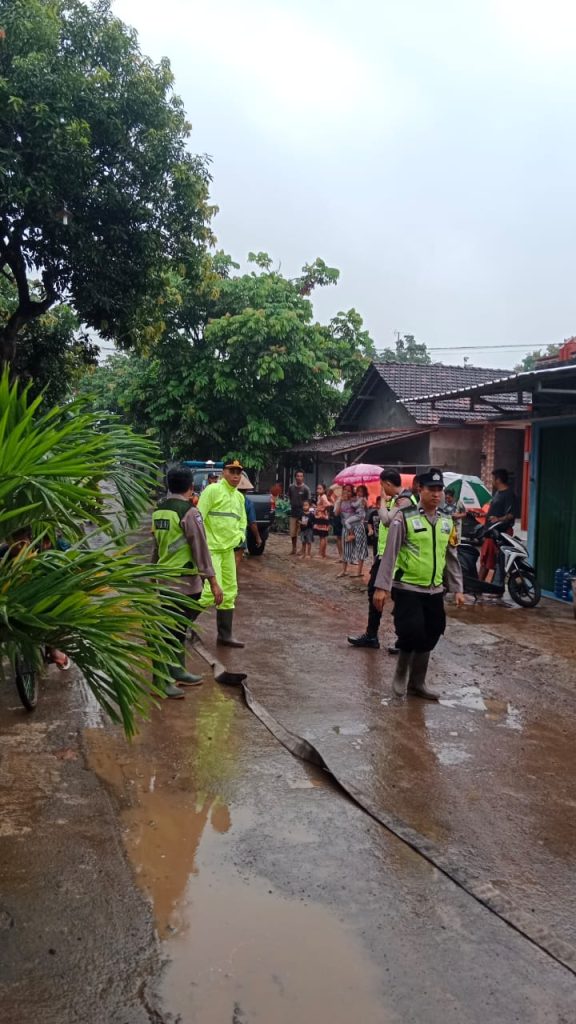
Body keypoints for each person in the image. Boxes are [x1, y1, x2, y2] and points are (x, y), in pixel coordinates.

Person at [372, 468, 465, 700]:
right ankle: (401, 673)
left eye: (439, 489)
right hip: (408, 587)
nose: (436, 494)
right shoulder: (405, 517)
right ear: (419, 489)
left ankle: (417, 683)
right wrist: (381, 587)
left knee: (433, 630)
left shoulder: (446, 520)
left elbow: (451, 556)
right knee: (411, 631)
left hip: (434, 589)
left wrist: (458, 588)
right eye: (431, 489)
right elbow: (390, 553)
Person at [152, 465, 223, 698]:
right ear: (191, 487)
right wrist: (213, 582)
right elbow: (200, 548)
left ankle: (177, 670)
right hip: (184, 583)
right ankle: (162, 681)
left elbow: (157, 545)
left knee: (177, 628)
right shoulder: (189, 512)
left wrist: (152, 573)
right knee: (170, 630)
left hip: (164, 580)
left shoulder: (159, 511)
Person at [347, 469, 414, 650]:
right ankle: (372, 635)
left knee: (400, 598)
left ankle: (402, 640)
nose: (381, 489)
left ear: (388, 484)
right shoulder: (399, 499)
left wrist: (382, 501)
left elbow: (386, 520)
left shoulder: (405, 500)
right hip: (385, 554)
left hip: (395, 556)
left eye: (382, 485)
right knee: (375, 593)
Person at [195, 458, 247, 647]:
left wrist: (240, 536)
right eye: (232, 471)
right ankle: (180, 626)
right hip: (211, 550)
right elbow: (198, 517)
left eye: (238, 472)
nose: (235, 476)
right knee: (209, 592)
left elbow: (242, 521)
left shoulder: (239, 497)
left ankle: (225, 635)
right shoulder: (213, 490)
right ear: (223, 472)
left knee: (230, 591)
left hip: (228, 551)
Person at [479, 468, 517, 582]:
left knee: (492, 561)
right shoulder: (497, 493)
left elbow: (511, 514)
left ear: (498, 480)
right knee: (486, 560)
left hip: (499, 533)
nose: (492, 481)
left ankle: (485, 585)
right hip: (490, 532)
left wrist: (498, 519)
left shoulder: (509, 494)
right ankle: (480, 585)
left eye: (493, 479)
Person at [335, 485, 367, 578]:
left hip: (357, 526)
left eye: (349, 491)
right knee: (346, 548)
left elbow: (364, 509)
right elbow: (336, 513)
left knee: (360, 547)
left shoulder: (356, 499)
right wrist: (340, 501)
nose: (347, 492)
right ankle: (344, 571)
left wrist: (363, 503)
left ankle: (359, 572)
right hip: (346, 527)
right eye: (345, 490)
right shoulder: (339, 501)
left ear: (352, 492)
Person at [288, 470, 311, 556]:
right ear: (295, 477)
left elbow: (308, 501)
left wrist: (306, 511)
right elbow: (290, 497)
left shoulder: (306, 489)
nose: (299, 478)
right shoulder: (291, 487)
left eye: (301, 476)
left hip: (303, 513)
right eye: (298, 476)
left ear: (303, 477)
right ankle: (293, 548)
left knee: (303, 531)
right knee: (293, 532)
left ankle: (303, 549)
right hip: (293, 512)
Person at [313, 483, 331, 558]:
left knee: (322, 536)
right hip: (320, 517)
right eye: (317, 488)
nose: (318, 490)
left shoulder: (323, 497)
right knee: (323, 536)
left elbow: (328, 505)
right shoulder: (320, 496)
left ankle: (320, 553)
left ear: (324, 490)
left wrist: (322, 509)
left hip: (322, 517)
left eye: (320, 488)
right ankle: (323, 553)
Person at [328, 486, 343, 560]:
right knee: (339, 536)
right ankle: (341, 555)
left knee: (347, 536)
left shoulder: (351, 488)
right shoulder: (336, 487)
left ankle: (349, 556)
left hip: (347, 515)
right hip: (337, 515)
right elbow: (329, 493)